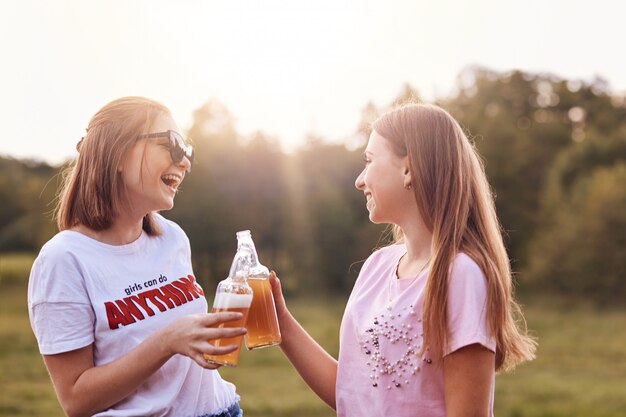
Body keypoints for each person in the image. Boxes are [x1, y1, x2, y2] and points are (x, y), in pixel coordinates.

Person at [270, 103, 537, 416]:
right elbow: (352, 396)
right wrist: (281, 324)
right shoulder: (376, 267)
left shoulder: (460, 275)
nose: (359, 180)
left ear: (408, 169)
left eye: (369, 161)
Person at [28, 96, 246, 417]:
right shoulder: (63, 260)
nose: (184, 162)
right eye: (172, 145)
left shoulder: (172, 237)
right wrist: (168, 341)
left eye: (187, 150)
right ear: (116, 152)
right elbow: (76, 400)